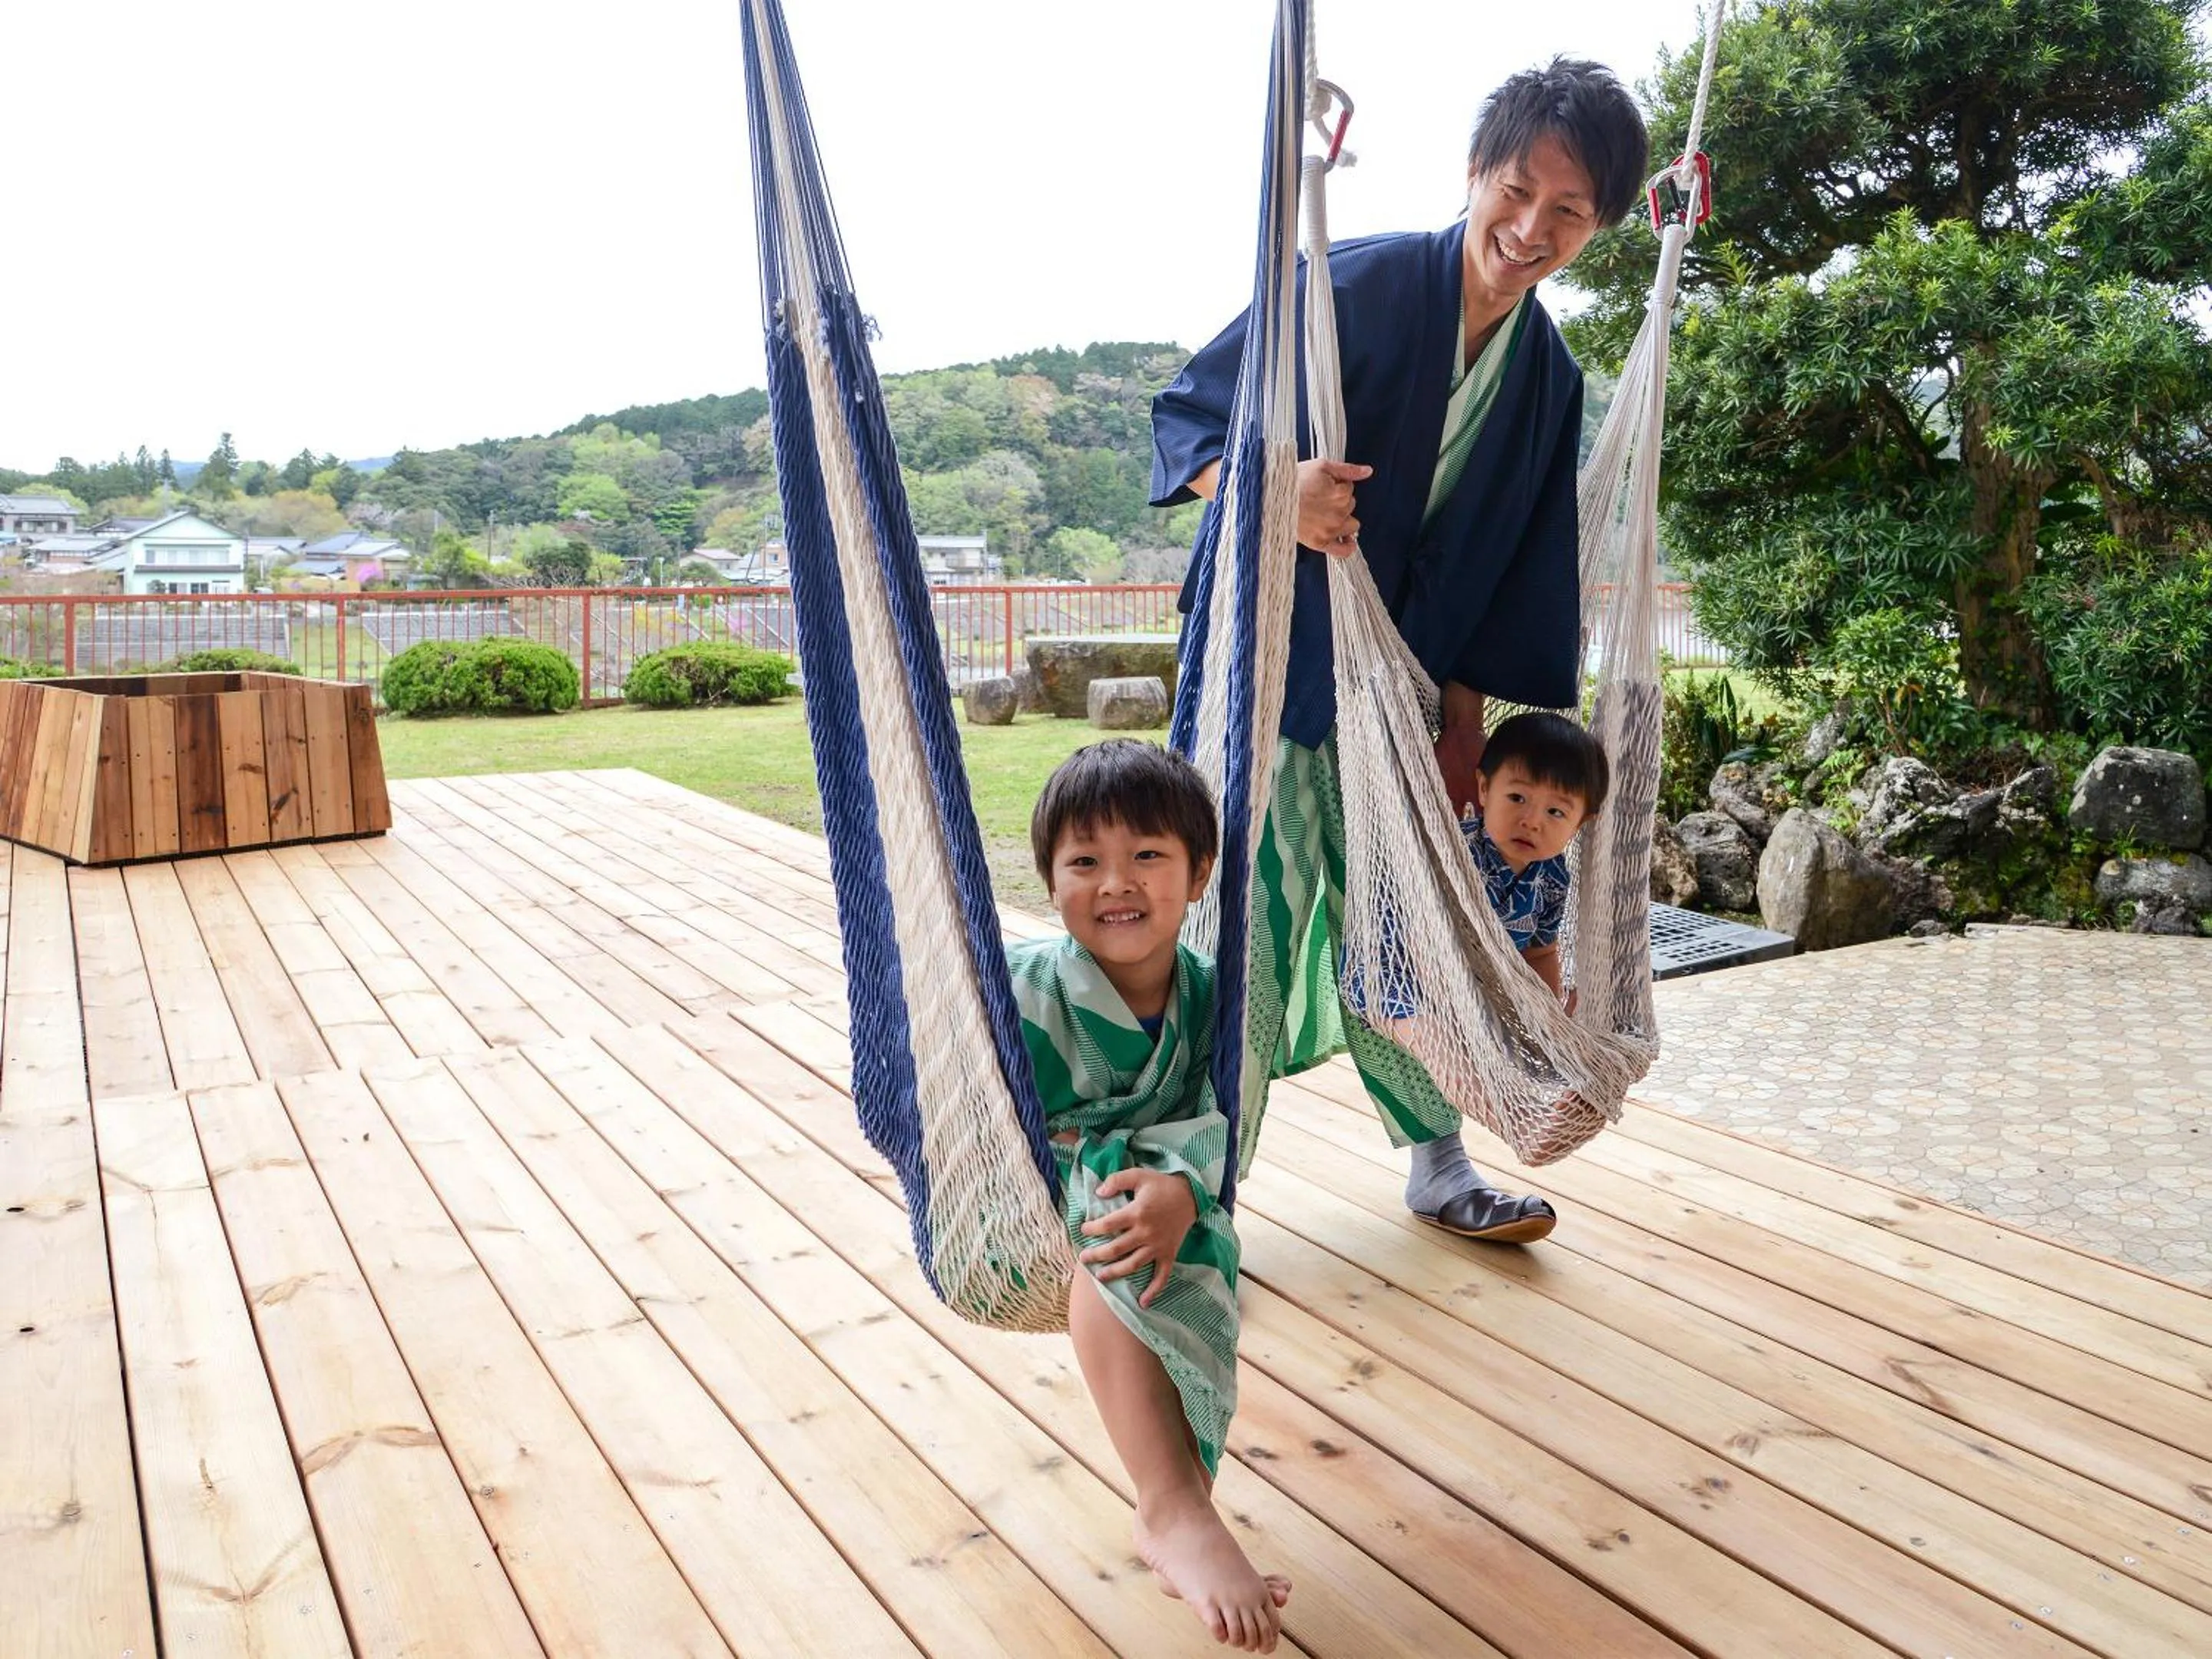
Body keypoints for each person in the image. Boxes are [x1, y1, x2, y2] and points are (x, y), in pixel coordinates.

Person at [1150, 57, 1647, 1242]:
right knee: (1246, 921)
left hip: (1410, 694)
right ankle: (1192, 1181)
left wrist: (1464, 730)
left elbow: (1516, 573)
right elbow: (1189, 417)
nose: (1531, 229)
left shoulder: (1548, 381)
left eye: (1569, 212)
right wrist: (1272, 490)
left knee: (1408, 923)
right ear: (1475, 172)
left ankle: (1438, 1162)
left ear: (1600, 227)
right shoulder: (1351, 285)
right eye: (1517, 191)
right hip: (1268, 667)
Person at [1007, 739, 1290, 1653]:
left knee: (1184, 1250)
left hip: (1164, 1187)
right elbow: (956, 1092)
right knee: (1117, 1231)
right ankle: (1173, 1507)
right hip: (1034, 1195)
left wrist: (1183, 1189)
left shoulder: (1215, 999)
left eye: (1148, 855)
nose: (1116, 883)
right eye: (1084, 861)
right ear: (1051, 881)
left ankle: (1183, 1508)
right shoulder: (1015, 991)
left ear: (1200, 875)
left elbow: (1219, 1118)